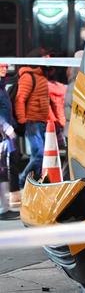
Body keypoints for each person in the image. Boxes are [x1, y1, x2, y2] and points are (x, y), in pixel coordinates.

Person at [15, 56, 50, 189]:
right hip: (32, 122)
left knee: (39, 155)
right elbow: (20, 99)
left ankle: (33, 183)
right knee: (39, 154)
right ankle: (22, 180)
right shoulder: (29, 76)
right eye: (46, 58)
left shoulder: (41, 77)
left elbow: (45, 101)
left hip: (41, 122)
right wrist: (22, 119)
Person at [0, 63, 20, 208]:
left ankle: (6, 204)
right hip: (3, 132)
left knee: (10, 164)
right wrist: (6, 126)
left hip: (6, 134)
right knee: (4, 167)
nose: (4, 68)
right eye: (1, 66)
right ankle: (3, 206)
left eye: (6, 66)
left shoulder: (3, 87)